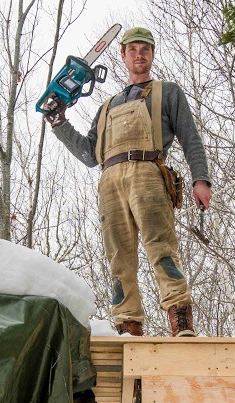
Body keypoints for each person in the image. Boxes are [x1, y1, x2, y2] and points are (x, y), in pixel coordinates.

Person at [45, 26, 211, 337]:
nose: (139, 54)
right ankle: (128, 325)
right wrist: (59, 122)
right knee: (118, 256)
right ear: (123, 55)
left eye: (145, 49)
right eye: (132, 49)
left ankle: (181, 319)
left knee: (160, 247)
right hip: (109, 179)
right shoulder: (106, 106)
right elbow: (88, 154)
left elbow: (191, 138)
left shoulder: (168, 92)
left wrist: (200, 179)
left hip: (148, 171)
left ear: (151, 54)